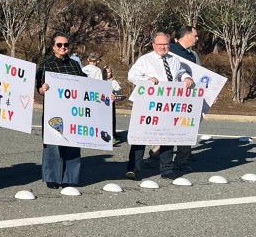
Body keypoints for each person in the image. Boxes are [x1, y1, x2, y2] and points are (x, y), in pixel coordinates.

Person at [125, 32, 195, 180]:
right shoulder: (145, 60)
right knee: (140, 137)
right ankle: (133, 168)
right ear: (153, 45)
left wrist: (187, 78)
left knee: (167, 136)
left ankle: (166, 169)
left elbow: (181, 73)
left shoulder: (174, 59)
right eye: (160, 44)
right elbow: (131, 75)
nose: (163, 47)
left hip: (168, 104)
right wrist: (147, 79)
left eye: (165, 44)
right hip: (147, 104)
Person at [36, 33, 88, 189]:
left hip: (72, 111)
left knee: (72, 143)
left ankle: (69, 178)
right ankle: (52, 178)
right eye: (59, 45)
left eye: (66, 45)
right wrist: (42, 89)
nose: (63, 47)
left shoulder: (74, 64)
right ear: (53, 47)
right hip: (53, 111)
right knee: (53, 144)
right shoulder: (46, 65)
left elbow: (86, 84)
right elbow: (38, 87)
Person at [167, 25, 201, 164]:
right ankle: (156, 156)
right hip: (169, 97)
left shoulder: (192, 55)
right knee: (166, 127)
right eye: (195, 36)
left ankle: (182, 159)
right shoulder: (170, 50)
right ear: (187, 35)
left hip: (187, 98)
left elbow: (198, 75)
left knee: (186, 127)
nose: (197, 38)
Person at [83, 52, 122, 144]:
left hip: (85, 96)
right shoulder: (97, 70)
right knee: (101, 118)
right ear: (97, 61)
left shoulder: (83, 69)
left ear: (88, 60)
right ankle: (106, 137)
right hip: (95, 97)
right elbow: (100, 85)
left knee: (88, 117)